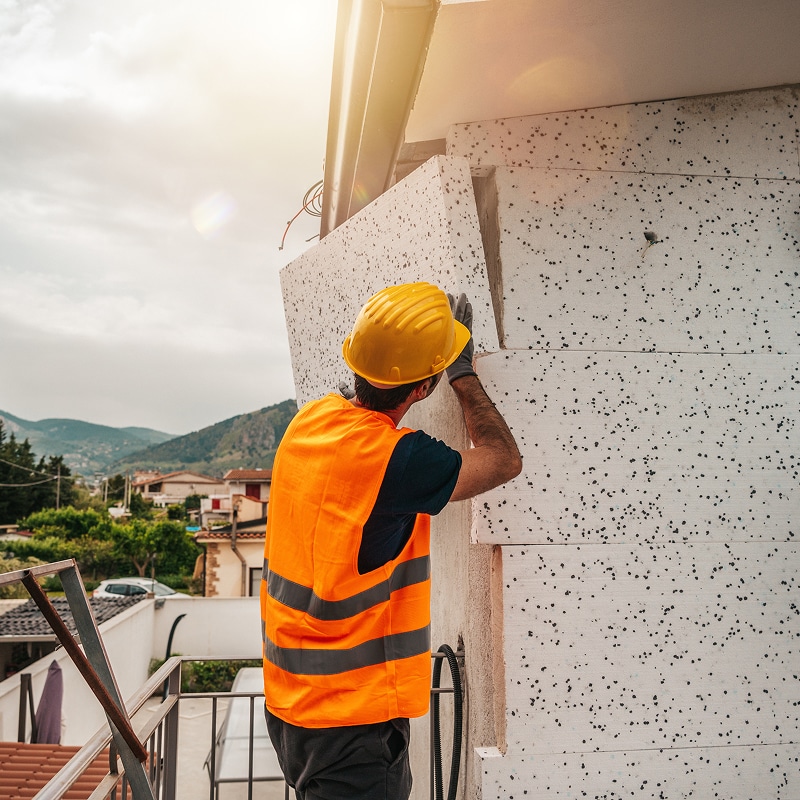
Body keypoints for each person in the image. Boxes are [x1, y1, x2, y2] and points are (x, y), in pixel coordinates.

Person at [261, 281, 522, 800]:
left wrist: (412, 345)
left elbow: (360, 393)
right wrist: (462, 371)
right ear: (422, 389)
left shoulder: (308, 422)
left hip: (291, 707)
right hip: (351, 726)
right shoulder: (398, 461)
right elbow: (503, 459)